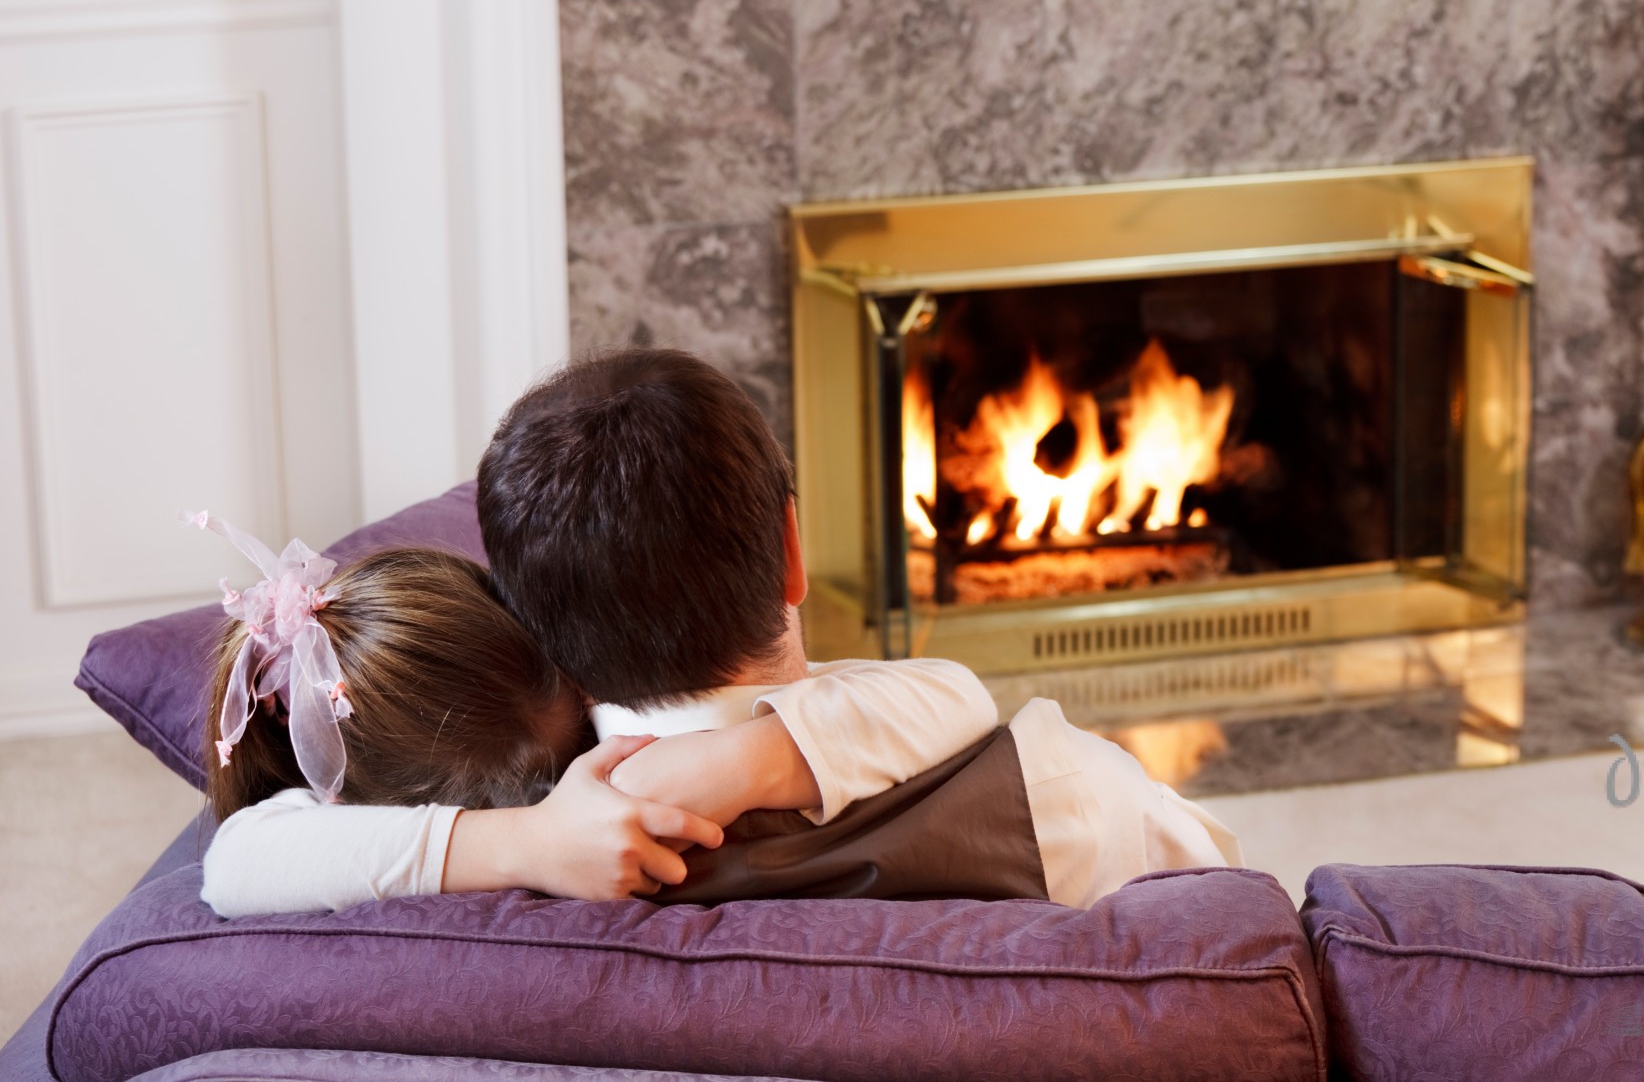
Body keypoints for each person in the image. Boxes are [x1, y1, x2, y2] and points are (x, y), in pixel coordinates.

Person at [206, 349, 1239, 914]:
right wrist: (747, 759)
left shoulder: (540, 827)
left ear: (541, 623)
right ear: (791, 550)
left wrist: (525, 839)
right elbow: (1230, 909)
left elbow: (237, 859)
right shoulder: (1062, 795)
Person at [193, 516, 998, 914]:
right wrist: (530, 841)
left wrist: (743, 758)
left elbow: (959, 694)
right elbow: (235, 862)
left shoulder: (678, 720)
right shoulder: (340, 818)